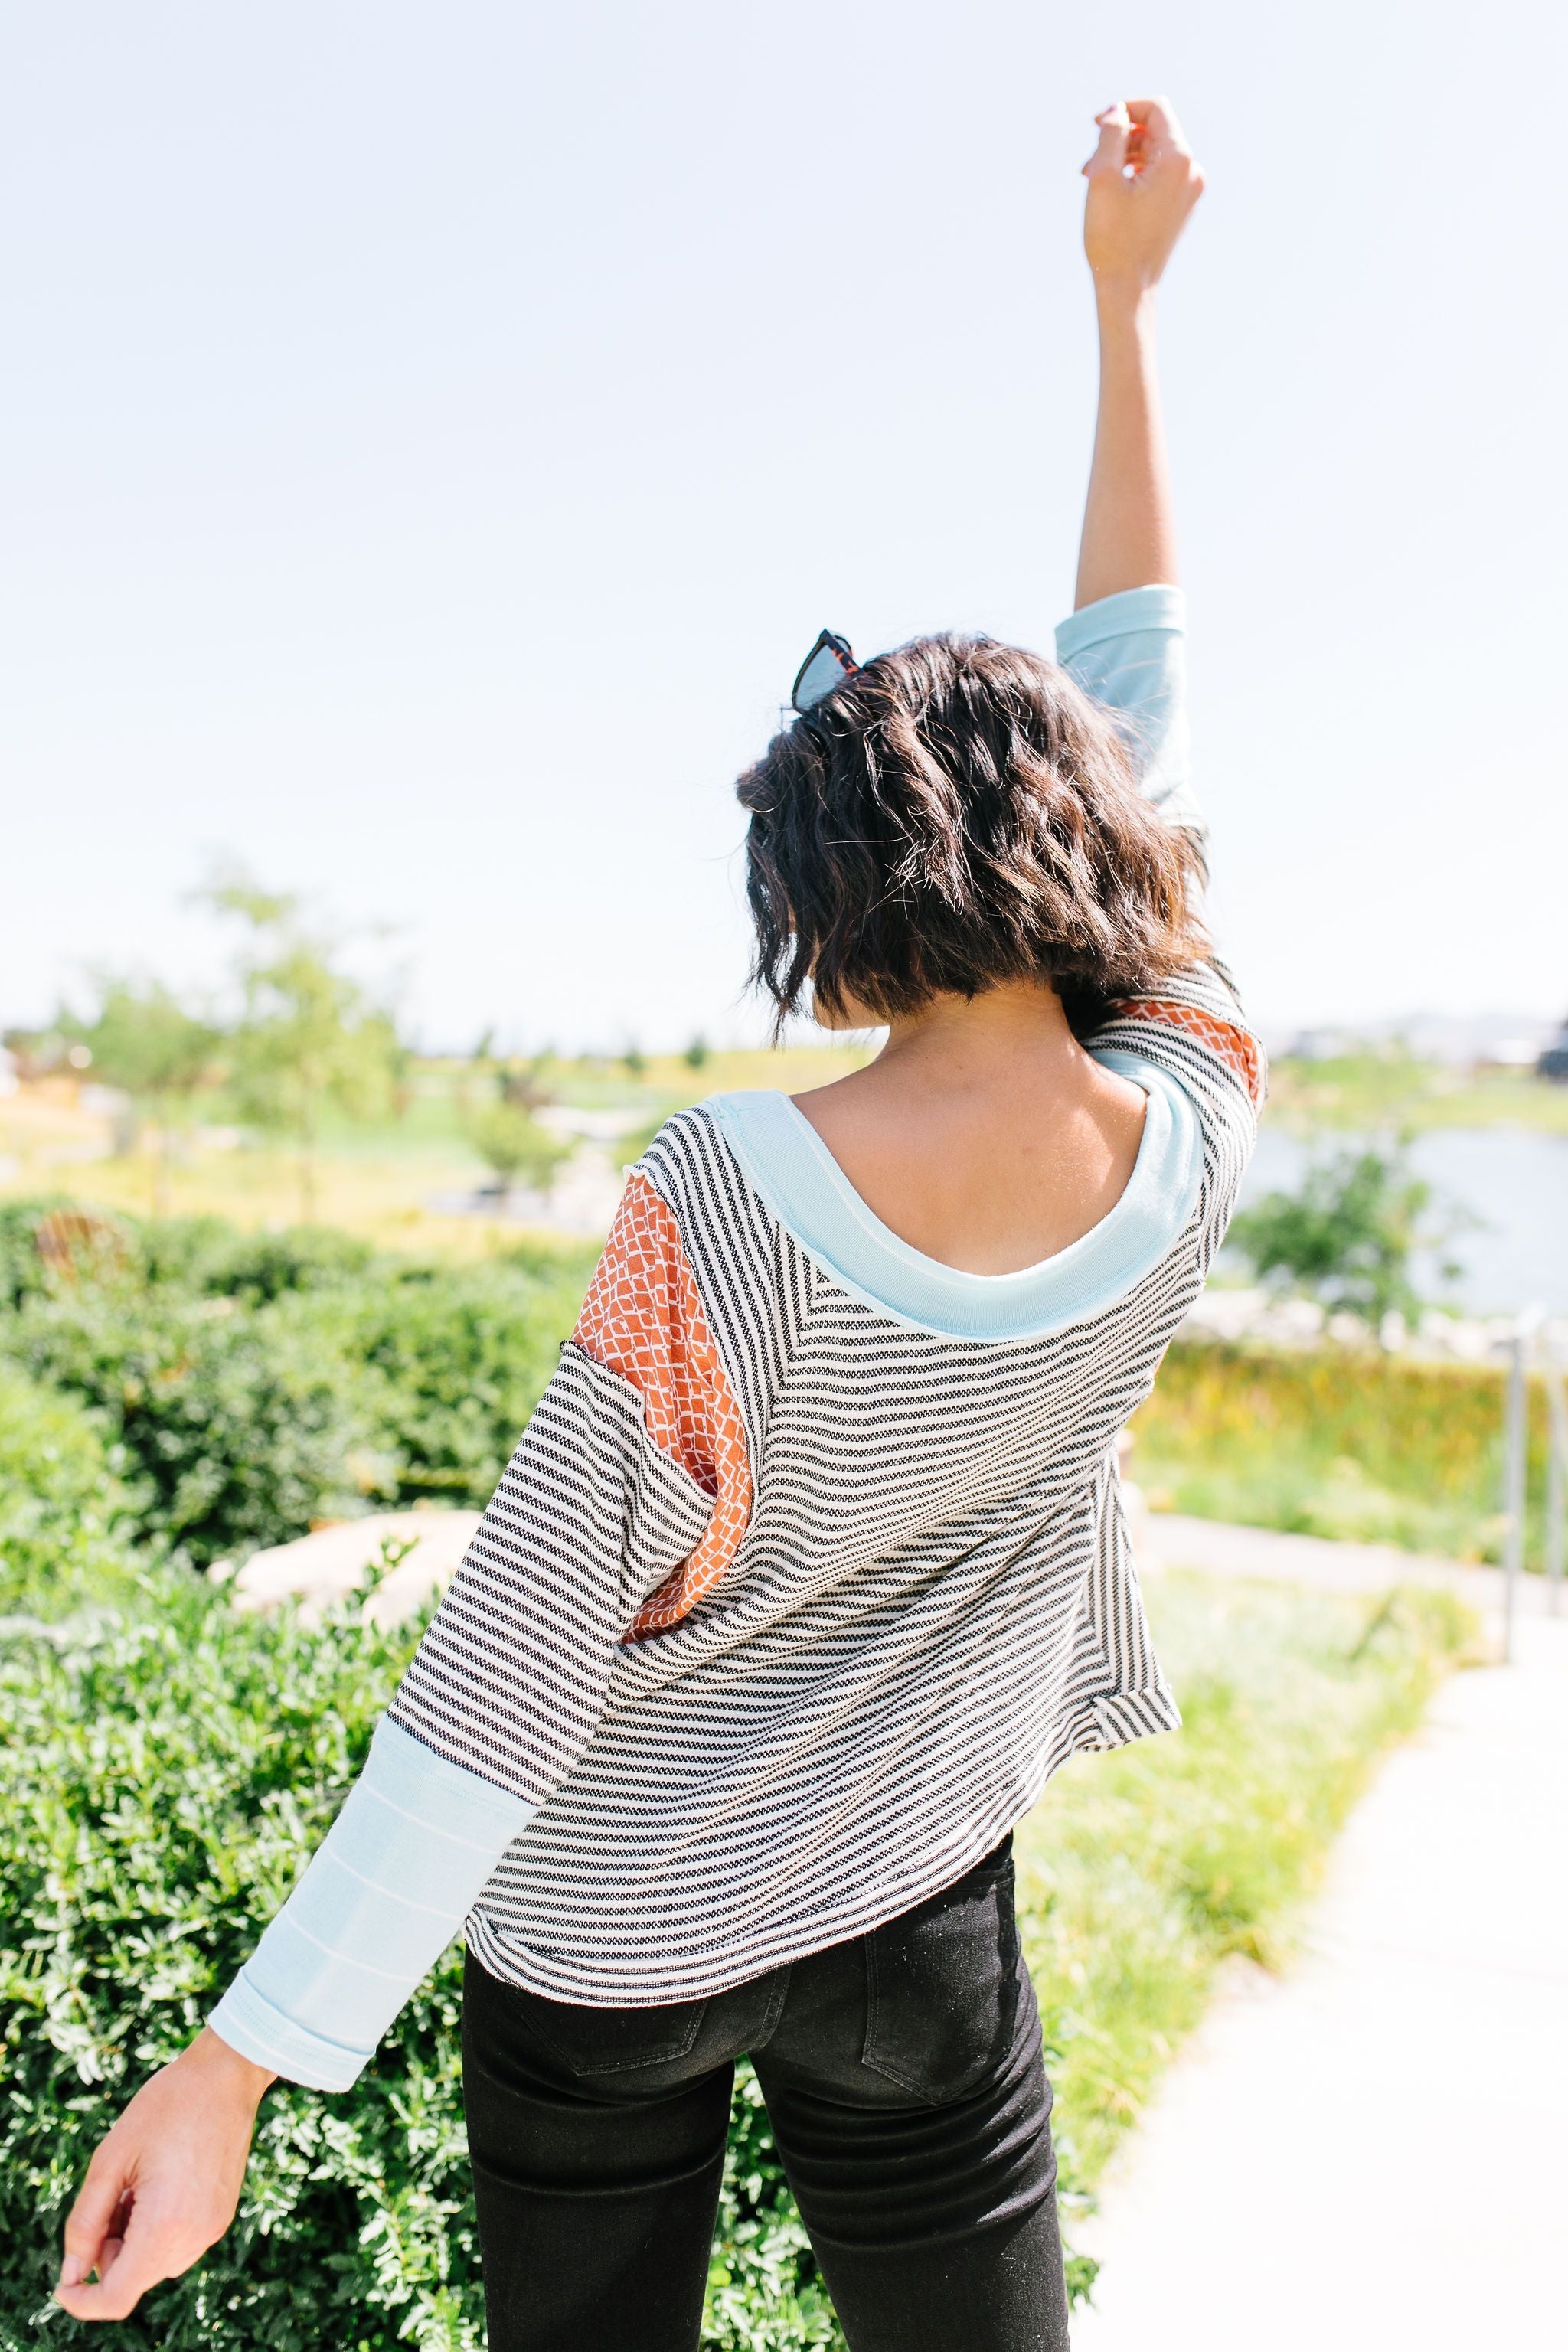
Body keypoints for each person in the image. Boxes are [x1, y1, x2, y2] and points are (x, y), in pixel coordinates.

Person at [57, 96, 1256, 2351]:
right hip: (921, 1909)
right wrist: (1126, 318)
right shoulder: (1198, 1113)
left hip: (614, 1942)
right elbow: (1146, 707)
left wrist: (235, 2063)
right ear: (1088, 846)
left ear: (809, 907)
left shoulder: (724, 1194)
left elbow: (514, 1657)